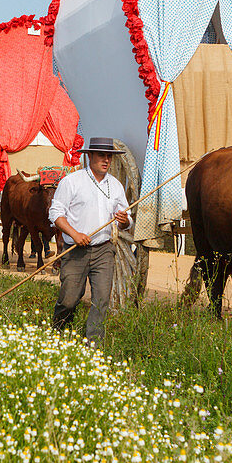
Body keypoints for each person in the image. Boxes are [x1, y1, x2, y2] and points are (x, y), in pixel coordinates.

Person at [48, 137, 131, 346]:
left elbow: (126, 220)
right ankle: (57, 333)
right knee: (69, 299)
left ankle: (93, 346)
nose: (106, 160)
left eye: (109, 157)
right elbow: (55, 213)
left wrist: (123, 221)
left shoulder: (116, 185)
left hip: (104, 250)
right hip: (76, 249)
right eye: (101, 156)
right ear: (89, 156)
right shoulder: (72, 182)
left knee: (102, 299)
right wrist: (74, 234)